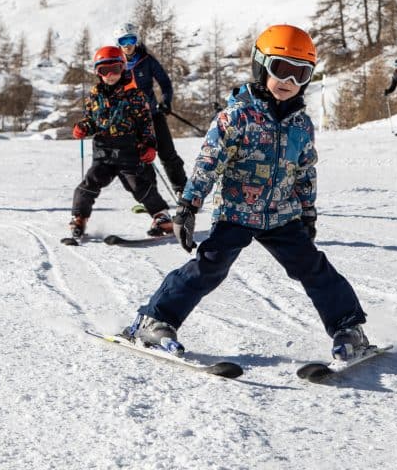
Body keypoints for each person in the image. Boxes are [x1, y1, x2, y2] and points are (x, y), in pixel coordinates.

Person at [123, 24, 370, 361]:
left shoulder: (301, 124)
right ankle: (154, 320)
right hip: (237, 212)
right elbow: (208, 163)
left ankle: (348, 327)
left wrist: (307, 211)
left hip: (282, 215)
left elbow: (305, 170)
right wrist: (188, 205)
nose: (289, 81)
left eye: (301, 74)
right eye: (281, 70)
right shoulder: (237, 117)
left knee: (313, 267)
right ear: (260, 65)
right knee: (209, 267)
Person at [68, 45, 174, 240]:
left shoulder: (135, 95)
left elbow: (145, 123)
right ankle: (79, 217)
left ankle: (161, 216)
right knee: (90, 182)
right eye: (104, 70)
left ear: (123, 68)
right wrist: (83, 127)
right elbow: (91, 120)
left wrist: (149, 145)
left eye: (115, 69)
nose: (110, 75)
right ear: (97, 72)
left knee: (138, 185)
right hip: (103, 154)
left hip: (129, 151)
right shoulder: (94, 95)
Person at [114, 23, 187, 196]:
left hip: (153, 115)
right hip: (132, 121)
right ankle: (149, 196)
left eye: (131, 39)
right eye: (123, 40)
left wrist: (166, 102)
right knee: (141, 159)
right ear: (117, 43)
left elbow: (165, 83)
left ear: (136, 40)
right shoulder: (116, 65)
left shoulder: (147, 60)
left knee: (168, 154)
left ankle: (183, 191)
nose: (127, 44)